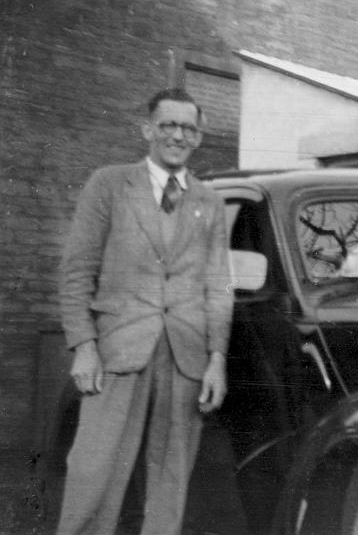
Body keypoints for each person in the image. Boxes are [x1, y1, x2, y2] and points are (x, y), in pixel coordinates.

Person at [56, 88, 233, 535]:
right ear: (147, 130)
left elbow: (218, 285)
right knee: (93, 475)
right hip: (119, 352)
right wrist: (84, 346)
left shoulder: (210, 202)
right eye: (168, 125)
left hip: (185, 356)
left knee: (169, 485)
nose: (177, 135)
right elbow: (77, 270)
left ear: (198, 138)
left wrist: (217, 360)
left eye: (188, 128)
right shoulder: (110, 184)